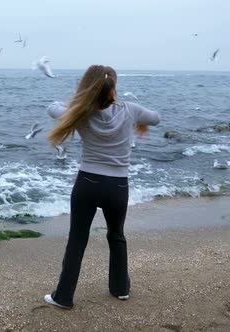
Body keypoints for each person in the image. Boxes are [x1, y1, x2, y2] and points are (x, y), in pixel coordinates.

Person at [44, 65, 160, 309]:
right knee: (117, 236)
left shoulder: (81, 112)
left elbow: (52, 107)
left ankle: (63, 297)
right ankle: (120, 289)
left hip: (87, 183)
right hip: (118, 186)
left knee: (77, 239)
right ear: (113, 88)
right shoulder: (131, 110)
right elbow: (156, 118)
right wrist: (141, 122)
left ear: (86, 87)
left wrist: (80, 99)